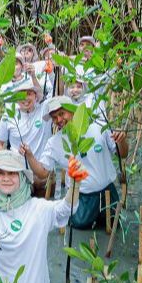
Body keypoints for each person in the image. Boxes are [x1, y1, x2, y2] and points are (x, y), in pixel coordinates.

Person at [0, 150, 83, 283]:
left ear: (22, 177)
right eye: (0, 173)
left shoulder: (39, 208)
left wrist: (75, 185)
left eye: (12, 173)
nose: (6, 178)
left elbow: (67, 209)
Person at [37, 95, 128, 229]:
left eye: (62, 114)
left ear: (73, 110)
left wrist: (121, 140)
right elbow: (42, 172)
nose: (59, 120)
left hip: (108, 191)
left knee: (114, 225)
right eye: (54, 117)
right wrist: (28, 156)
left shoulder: (99, 127)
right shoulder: (55, 142)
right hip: (82, 197)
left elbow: (123, 154)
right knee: (79, 226)